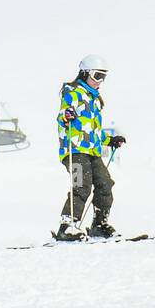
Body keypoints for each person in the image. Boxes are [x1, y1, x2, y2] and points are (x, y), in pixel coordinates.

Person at [55, 54, 125, 241]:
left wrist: (109, 140)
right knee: (81, 185)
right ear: (85, 73)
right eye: (97, 76)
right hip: (75, 150)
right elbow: (63, 115)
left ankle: (99, 225)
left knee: (105, 184)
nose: (100, 81)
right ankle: (67, 227)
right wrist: (67, 116)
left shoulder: (94, 99)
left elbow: (93, 130)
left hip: (92, 151)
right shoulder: (72, 92)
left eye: (103, 77)